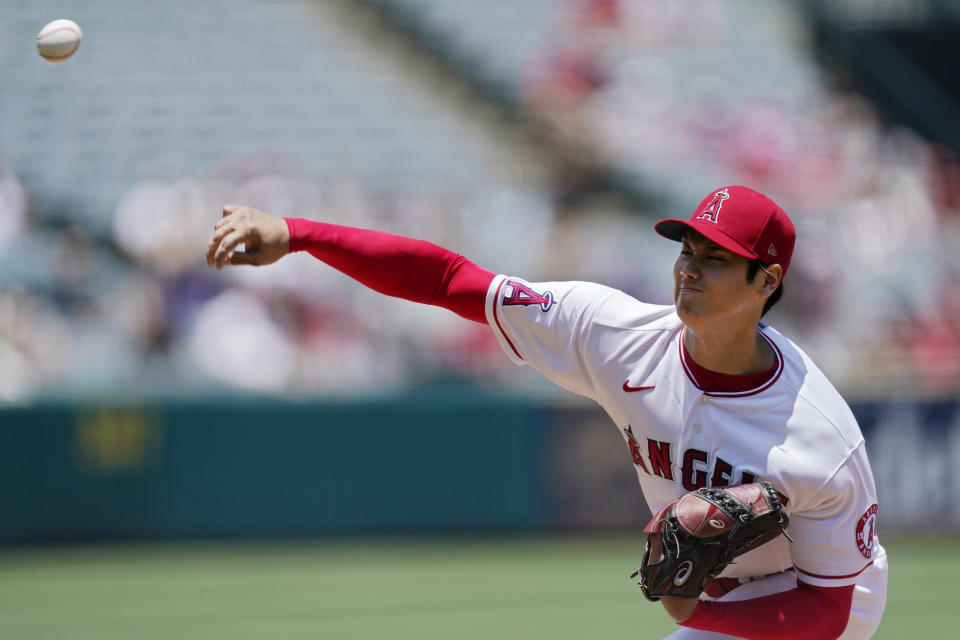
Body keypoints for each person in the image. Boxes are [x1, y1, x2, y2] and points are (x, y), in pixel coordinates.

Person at [206, 186, 887, 639]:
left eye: (718, 259)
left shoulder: (818, 439)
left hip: (816, 594)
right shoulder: (612, 333)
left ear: (766, 281)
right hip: (727, 587)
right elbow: (451, 281)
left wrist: (694, 607)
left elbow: (829, 609)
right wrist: (297, 233)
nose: (690, 270)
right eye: (688, 250)